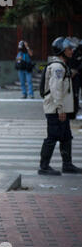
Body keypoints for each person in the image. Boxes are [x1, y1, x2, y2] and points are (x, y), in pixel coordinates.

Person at [38, 36, 82, 176]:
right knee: (52, 137)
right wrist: (60, 109)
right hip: (56, 110)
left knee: (66, 137)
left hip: (60, 109)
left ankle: (67, 165)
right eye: (69, 49)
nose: (71, 51)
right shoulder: (58, 67)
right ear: (62, 51)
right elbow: (56, 89)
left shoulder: (62, 65)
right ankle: (44, 167)